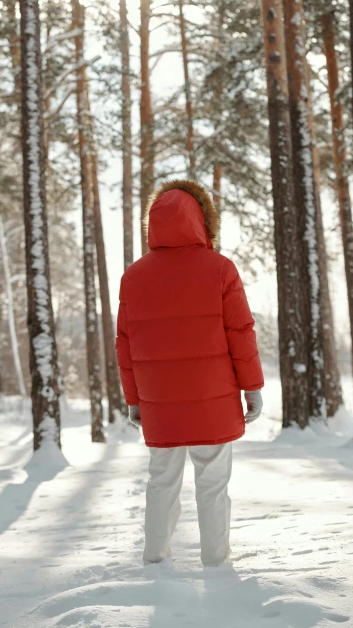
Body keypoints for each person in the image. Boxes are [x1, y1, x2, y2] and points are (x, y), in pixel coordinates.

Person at [115, 180, 264, 567]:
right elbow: (241, 333)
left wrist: (134, 399)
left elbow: (125, 346)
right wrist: (253, 388)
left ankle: (155, 558)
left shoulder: (134, 276)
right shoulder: (220, 269)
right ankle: (216, 562)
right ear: (202, 220)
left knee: (161, 482)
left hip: (160, 404)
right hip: (212, 401)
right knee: (213, 485)